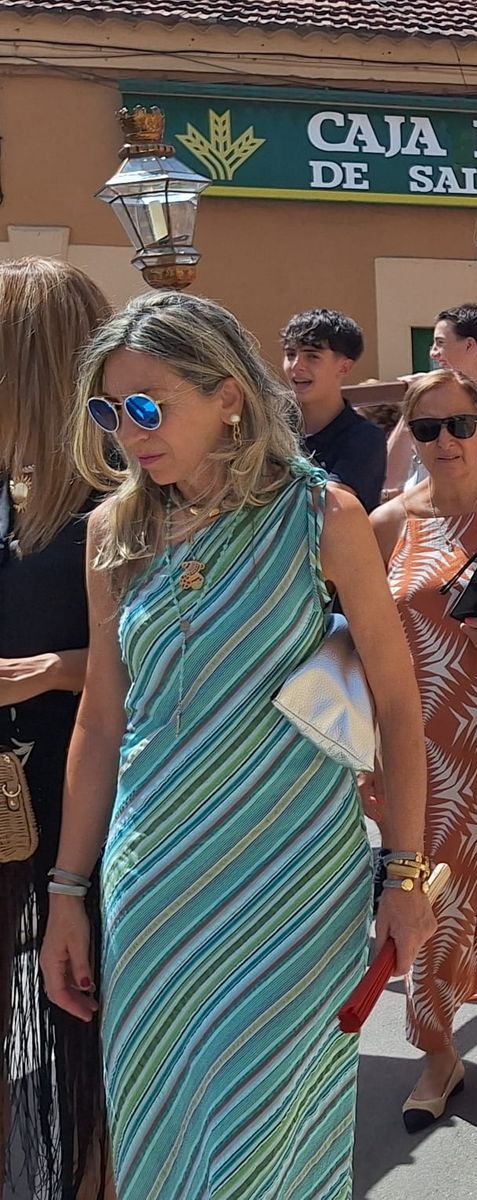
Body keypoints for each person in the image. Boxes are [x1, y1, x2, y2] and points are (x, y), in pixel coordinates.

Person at [44, 290, 434, 1198]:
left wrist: (406, 876)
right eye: (107, 411)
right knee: (160, 1124)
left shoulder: (320, 516)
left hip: (294, 887)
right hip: (154, 889)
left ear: (227, 396)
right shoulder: (115, 531)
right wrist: (69, 891)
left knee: (274, 1134)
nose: (125, 432)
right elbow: (102, 719)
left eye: (147, 406)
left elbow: (399, 707)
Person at [369, 370, 477, 1132]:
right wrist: (368, 760)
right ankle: (438, 1055)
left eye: (460, 425)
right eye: (428, 429)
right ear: (409, 435)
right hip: (428, 748)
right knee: (428, 898)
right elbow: (353, 650)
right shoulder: (384, 524)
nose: (446, 443)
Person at [0, 258, 111, 1200]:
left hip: (90, 807)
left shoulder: (121, 508)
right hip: (12, 797)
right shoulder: (11, 490)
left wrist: (45, 671)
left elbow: (164, 665)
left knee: (85, 1036)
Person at [387, 303, 477, 491]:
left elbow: (460, 477)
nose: (433, 353)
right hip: (416, 517)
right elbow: (390, 479)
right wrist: (414, 409)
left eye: (440, 343)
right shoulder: (426, 406)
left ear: (470, 345)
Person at [282, 308, 387, 511]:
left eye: (312, 356)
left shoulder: (364, 438)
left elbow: (324, 505)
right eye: (290, 354)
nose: (297, 365)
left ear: (345, 367)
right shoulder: (268, 428)